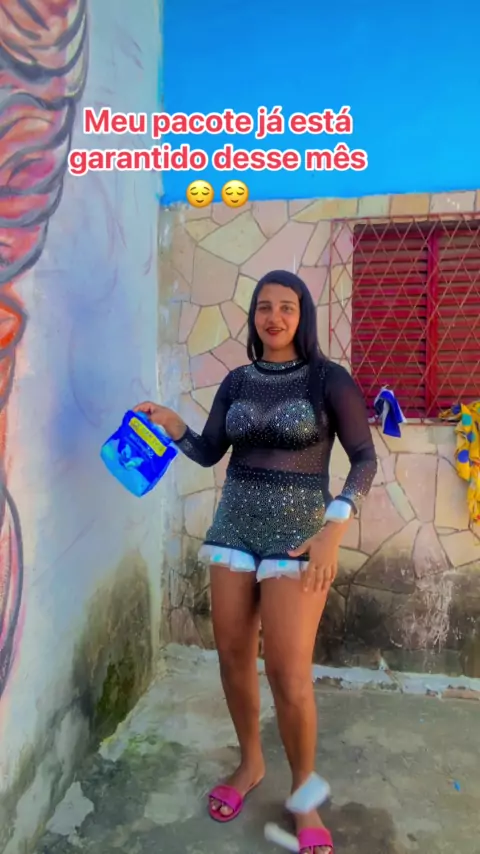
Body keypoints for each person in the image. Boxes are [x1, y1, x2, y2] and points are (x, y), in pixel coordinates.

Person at [135, 270, 377, 854]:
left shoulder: (327, 379)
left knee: (288, 675)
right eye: (264, 307)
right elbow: (209, 451)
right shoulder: (238, 381)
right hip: (234, 529)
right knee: (234, 659)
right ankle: (250, 763)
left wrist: (334, 528)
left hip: (300, 536)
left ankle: (305, 794)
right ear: (253, 316)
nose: (274, 317)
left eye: (286, 307)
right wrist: (174, 426)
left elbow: (365, 458)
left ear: (303, 315)